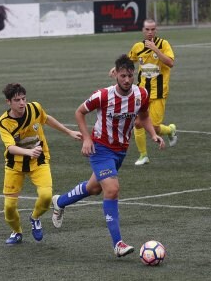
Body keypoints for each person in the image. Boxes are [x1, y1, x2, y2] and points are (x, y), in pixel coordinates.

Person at [53, 54, 165, 257]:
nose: (127, 80)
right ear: (116, 75)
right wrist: (87, 138)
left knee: (94, 188)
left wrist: (154, 134)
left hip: (120, 150)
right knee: (112, 190)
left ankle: (59, 202)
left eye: (130, 76)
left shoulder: (141, 95)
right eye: (123, 76)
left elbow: (144, 116)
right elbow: (79, 112)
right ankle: (118, 243)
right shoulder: (103, 96)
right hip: (100, 149)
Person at [0, 83, 82, 245]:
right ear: (8, 102)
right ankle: (17, 232)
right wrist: (29, 152)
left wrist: (69, 132)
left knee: (46, 196)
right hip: (14, 165)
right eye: (17, 100)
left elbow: (47, 119)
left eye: (23, 99)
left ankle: (34, 218)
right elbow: (11, 147)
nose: (22, 103)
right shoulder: (4, 122)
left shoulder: (35, 108)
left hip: (39, 161)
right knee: (9, 207)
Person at [110, 18, 177, 166]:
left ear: (156, 30)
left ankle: (170, 130)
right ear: (143, 30)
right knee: (138, 123)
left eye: (153, 29)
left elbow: (170, 63)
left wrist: (155, 49)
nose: (150, 32)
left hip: (159, 93)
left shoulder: (163, 44)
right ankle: (143, 155)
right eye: (147, 29)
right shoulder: (138, 46)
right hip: (142, 92)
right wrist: (116, 68)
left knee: (153, 127)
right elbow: (129, 60)